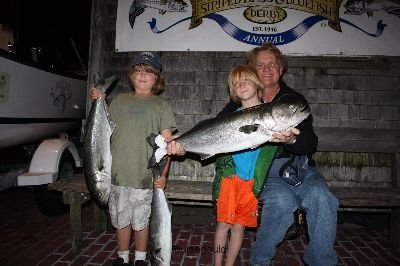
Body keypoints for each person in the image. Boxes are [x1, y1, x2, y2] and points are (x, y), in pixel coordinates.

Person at [168, 43, 338, 266]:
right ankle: (260, 260)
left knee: (323, 198)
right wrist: (182, 146)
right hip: (267, 176)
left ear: (281, 69)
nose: (267, 69)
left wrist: (292, 140)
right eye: (260, 65)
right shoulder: (238, 104)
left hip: (301, 169)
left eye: (272, 64)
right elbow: (212, 133)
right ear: (252, 71)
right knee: (281, 202)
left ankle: (321, 262)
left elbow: (310, 143)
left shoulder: (293, 101)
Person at [90, 52, 177, 266]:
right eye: (138, 70)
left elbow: (168, 144)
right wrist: (98, 99)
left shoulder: (161, 105)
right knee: (121, 221)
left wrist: (163, 175)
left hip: (145, 176)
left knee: (141, 221)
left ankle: (139, 258)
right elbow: (101, 127)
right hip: (117, 174)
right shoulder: (119, 100)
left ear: (157, 78)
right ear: (131, 75)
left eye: (148, 71)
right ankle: (122, 257)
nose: (143, 75)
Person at [213, 64, 279, 266]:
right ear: (232, 91)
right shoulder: (231, 116)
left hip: (252, 181)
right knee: (223, 225)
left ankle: (229, 264)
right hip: (230, 178)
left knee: (239, 227)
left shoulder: (271, 114)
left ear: (257, 83)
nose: (241, 85)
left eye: (246, 80)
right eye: (236, 83)